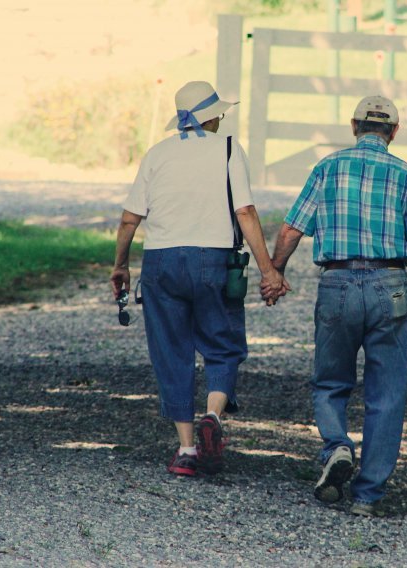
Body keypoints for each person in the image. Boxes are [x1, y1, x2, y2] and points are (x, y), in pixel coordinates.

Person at [267, 95, 407, 516]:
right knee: (388, 392)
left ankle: (337, 446)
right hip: (390, 285)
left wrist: (274, 272)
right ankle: (367, 496)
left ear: (353, 126)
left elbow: (292, 229)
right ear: (394, 132)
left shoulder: (327, 168)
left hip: (338, 281)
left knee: (330, 381)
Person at [111, 81, 285, 477]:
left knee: (171, 352)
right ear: (212, 117)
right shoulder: (227, 149)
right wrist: (268, 270)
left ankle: (187, 449)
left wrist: (120, 265)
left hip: (162, 262)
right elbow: (245, 212)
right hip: (213, 258)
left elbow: (129, 218)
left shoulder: (156, 154)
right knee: (222, 345)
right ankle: (213, 414)